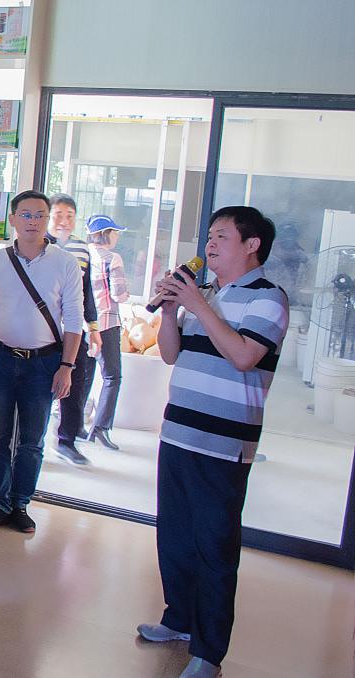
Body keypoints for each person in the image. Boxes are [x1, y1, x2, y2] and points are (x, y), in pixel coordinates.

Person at [137, 207, 288, 678]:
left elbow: (244, 356)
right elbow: (170, 354)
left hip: (223, 444)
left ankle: (209, 651)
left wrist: (199, 305)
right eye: (209, 236)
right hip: (178, 433)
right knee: (175, 537)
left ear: (252, 245)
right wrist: (170, 311)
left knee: (215, 548)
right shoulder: (207, 294)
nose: (210, 244)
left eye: (222, 236)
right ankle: (178, 620)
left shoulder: (269, 298)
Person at [0, 190, 84, 535]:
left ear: (48, 220)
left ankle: (20, 504)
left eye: (40, 215)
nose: (33, 221)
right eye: (26, 215)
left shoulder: (65, 263)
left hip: (44, 363)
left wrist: (67, 366)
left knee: (32, 440)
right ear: (13, 219)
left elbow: (74, 318)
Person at [48, 193, 102, 466]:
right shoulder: (39, 244)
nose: (64, 221)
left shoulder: (82, 248)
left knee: (75, 382)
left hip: (73, 328)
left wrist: (93, 327)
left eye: (69, 216)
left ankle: (66, 440)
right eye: (58, 214)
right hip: (44, 329)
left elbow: (86, 291)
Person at [86, 214, 131, 449]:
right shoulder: (112, 258)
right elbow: (118, 294)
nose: (117, 237)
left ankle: (73, 425)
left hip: (84, 325)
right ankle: (100, 428)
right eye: (115, 232)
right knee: (112, 377)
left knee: (84, 375)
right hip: (106, 323)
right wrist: (127, 294)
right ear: (105, 234)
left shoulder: (84, 255)